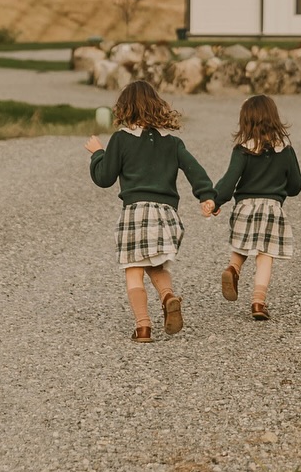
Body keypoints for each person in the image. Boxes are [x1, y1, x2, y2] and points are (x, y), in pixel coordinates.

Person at [87, 79, 215, 341]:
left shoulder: (121, 139)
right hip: (166, 215)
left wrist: (98, 153)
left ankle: (143, 326)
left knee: (134, 270)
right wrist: (206, 196)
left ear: (125, 108)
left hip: (136, 213)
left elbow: (104, 177)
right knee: (156, 264)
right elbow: (194, 170)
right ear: (158, 106)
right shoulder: (172, 142)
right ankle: (168, 297)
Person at [205, 93, 301, 322]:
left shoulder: (242, 149)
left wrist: (216, 200)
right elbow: (296, 185)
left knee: (242, 244)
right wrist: (281, 187)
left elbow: (229, 180)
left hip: (245, 207)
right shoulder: (285, 149)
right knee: (264, 256)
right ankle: (258, 302)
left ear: (245, 121)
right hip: (271, 209)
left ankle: (232, 269)